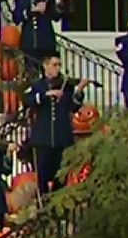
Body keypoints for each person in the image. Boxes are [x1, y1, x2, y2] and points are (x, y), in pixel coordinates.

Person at [24, 54, 85, 196]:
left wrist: (79, 90)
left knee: (61, 176)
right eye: (54, 65)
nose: (58, 68)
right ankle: (43, 209)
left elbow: (73, 107)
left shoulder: (66, 86)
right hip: (43, 138)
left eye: (59, 65)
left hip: (61, 137)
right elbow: (27, 100)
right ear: (45, 66)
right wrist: (46, 95)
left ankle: (58, 210)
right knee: (43, 178)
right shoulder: (37, 85)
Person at [9, 0, 67, 64]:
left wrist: (59, 3)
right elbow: (16, 18)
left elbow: (56, 17)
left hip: (46, 42)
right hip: (29, 43)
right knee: (31, 71)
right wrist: (31, 11)